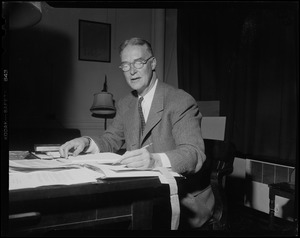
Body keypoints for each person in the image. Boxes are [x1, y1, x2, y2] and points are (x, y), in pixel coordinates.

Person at [59, 37, 214, 229]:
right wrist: (87, 142)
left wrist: (154, 161)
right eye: (125, 65)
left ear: (153, 63)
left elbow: (193, 154)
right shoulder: (126, 104)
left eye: (138, 62)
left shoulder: (179, 100)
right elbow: (111, 139)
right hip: (142, 193)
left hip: (182, 198)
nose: (132, 71)